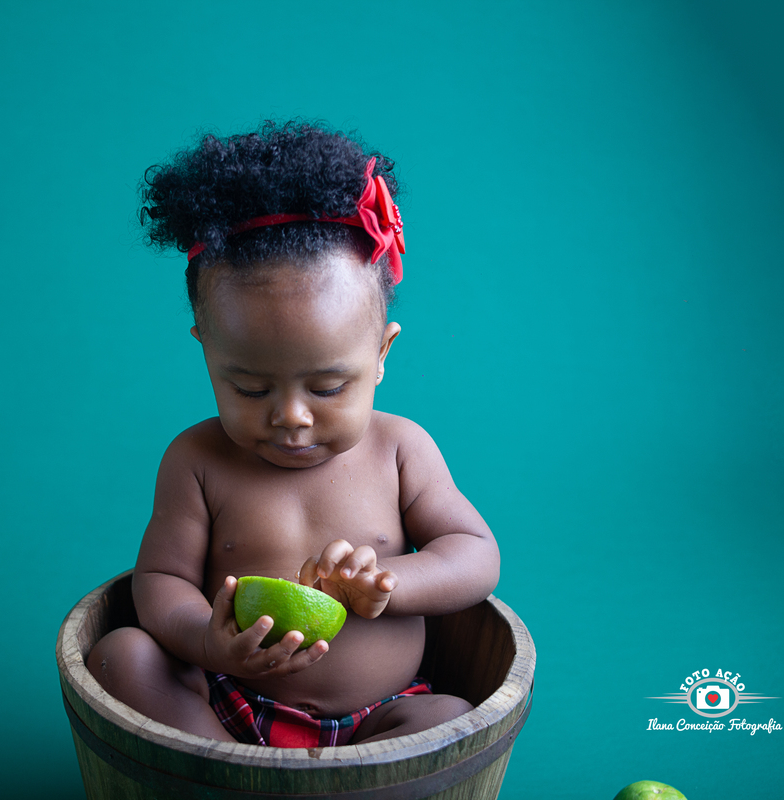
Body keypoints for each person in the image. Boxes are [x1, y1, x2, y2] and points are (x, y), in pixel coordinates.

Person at [87, 121, 499, 748]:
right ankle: (227, 774)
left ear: (382, 354)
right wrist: (209, 640)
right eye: (250, 389)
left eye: (328, 388)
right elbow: (161, 581)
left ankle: (340, 784)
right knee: (123, 656)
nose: (292, 417)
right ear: (207, 357)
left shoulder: (400, 449)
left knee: (446, 720)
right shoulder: (197, 460)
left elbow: (475, 553)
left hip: (379, 715)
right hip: (227, 702)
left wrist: (387, 584)